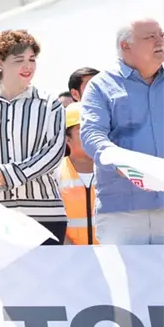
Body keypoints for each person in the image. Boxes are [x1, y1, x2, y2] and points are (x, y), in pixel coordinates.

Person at [0, 29, 67, 245]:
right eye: (19, 60)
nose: (28, 66)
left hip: (43, 215)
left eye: (32, 59)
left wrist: (11, 174)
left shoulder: (49, 103)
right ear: (0, 63)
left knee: (40, 279)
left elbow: (54, 151)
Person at [80, 18, 164, 244]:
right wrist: (116, 158)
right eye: (150, 37)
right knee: (123, 281)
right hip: (122, 211)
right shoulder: (101, 85)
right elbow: (92, 134)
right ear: (126, 46)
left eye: (161, 35)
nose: (160, 41)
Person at [58, 103, 96, 245]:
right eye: (83, 130)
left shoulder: (111, 171)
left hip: (111, 257)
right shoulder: (54, 173)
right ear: (67, 138)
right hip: (70, 260)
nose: (91, 135)